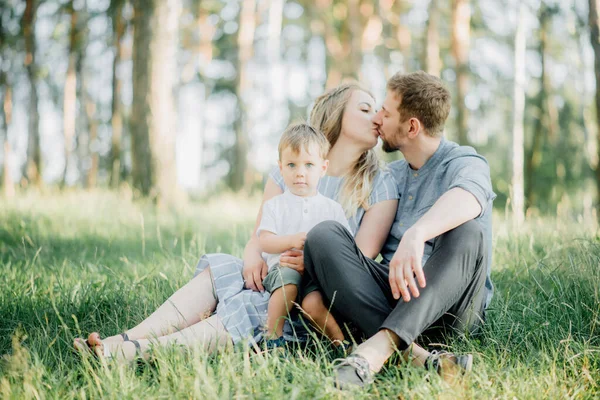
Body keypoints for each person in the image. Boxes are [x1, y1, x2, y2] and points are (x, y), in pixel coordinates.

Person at [74, 83, 399, 362]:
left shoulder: (378, 184)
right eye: (366, 108)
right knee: (223, 270)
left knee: (253, 304)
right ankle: (125, 339)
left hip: (316, 293)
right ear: (336, 113)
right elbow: (258, 237)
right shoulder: (288, 170)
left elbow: (358, 264)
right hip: (274, 269)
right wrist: (252, 260)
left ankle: (131, 354)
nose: (377, 117)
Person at [302, 71, 496, 389]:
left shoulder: (464, 161)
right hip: (392, 297)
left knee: (468, 232)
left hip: (450, 311)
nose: (378, 118)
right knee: (324, 235)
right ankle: (418, 356)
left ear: (411, 127)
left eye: (386, 113)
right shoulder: (391, 175)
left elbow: (471, 196)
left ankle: (377, 348)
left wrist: (417, 233)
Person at [257, 123, 351, 347]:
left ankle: (340, 343)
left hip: (316, 276)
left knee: (314, 303)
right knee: (288, 282)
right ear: (281, 168)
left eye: (309, 165)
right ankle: (272, 337)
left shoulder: (332, 209)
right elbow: (264, 241)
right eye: (291, 164)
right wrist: (290, 241)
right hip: (284, 269)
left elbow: (346, 246)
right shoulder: (276, 206)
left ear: (323, 168)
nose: (300, 172)